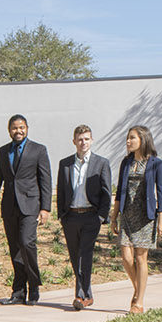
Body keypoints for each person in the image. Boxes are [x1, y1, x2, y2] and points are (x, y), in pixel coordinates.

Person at [0, 114, 52, 304]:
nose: (18, 131)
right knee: (15, 249)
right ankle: (18, 291)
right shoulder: (3, 151)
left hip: (30, 206)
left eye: (21, 127)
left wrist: (45, 208)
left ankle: (34, 285)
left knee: (26, 243)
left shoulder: (38, 150)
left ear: (27, 128)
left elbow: (46, 180)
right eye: (14, 128)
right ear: (9, 130)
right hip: (10, 207)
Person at [109, 124, 162, 314]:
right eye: (128, 138)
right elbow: (119, 192)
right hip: (127, 214)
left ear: (143, 140)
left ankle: (139, 302)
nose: (128, 141)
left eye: (132, 138)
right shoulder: (125, 163)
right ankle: (137, 288)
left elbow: (161, 193)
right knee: (126, 258)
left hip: (146, 216)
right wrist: (114, 215)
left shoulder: (156, 163)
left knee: (141, 258)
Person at [56, 124, 112, 310]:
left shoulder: (101, 163)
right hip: (70, 216)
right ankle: (87, 295)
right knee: (74, 256)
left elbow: (106, 192)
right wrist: (62, 215)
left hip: (91, 216)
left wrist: (101, 216)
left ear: (92, 140)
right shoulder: (65, 164)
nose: (83, 143)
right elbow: (62, 190)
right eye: (80, 139)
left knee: (84, 255)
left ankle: (81, 296)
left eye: (87, 139)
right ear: (74, 142)